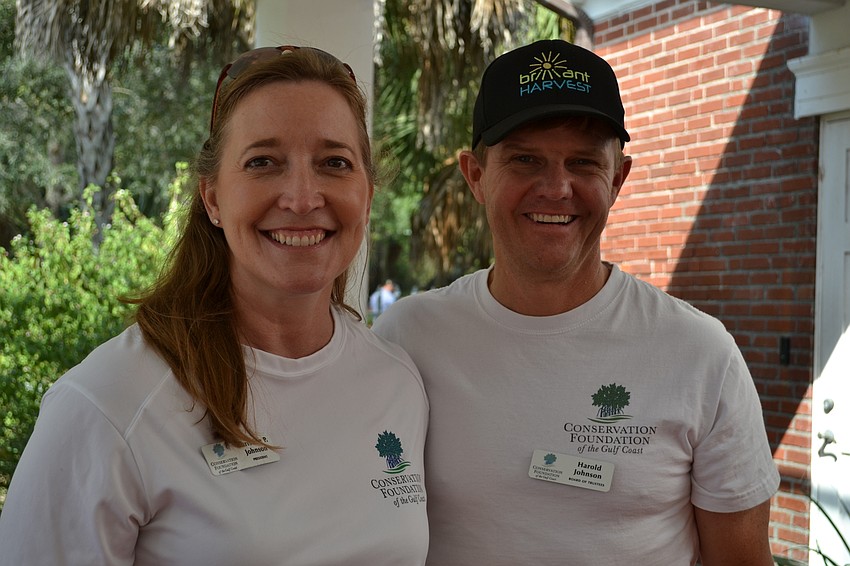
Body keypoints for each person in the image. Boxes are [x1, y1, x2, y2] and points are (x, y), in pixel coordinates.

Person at [0, 46, 429, 565]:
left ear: (367, 193)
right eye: (262, 163)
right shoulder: (107, 406)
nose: (301, 196)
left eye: (334, 163)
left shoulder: (397, 381)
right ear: (213, 199)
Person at [374, 39, 779, 566]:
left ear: (618, 178)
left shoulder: (701, 353)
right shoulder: (408, 338)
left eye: (583, 162)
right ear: (475, 175)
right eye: (525, 159)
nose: (556, 187)